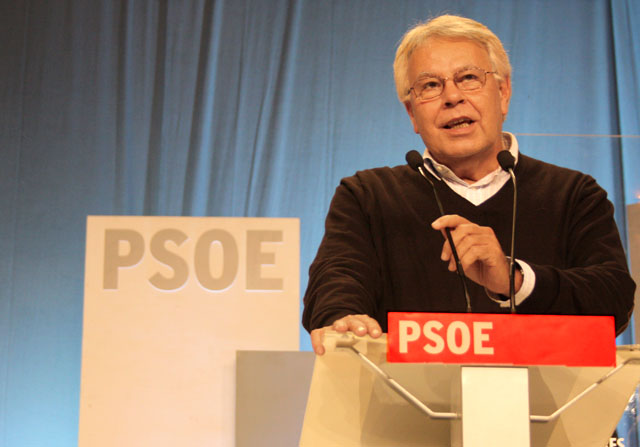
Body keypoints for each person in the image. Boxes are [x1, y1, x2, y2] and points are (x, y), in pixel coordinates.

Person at [302, 14, 635, 355]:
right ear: (411, 113)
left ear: (503, 93)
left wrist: (512, 278)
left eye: (469, 78)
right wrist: (344, 318)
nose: (452, 97)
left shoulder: (573, 194)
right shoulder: (367, 196)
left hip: (542, 407)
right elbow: (336, 279)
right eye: (430, 86)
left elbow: (614, 298)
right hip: (406, 405)